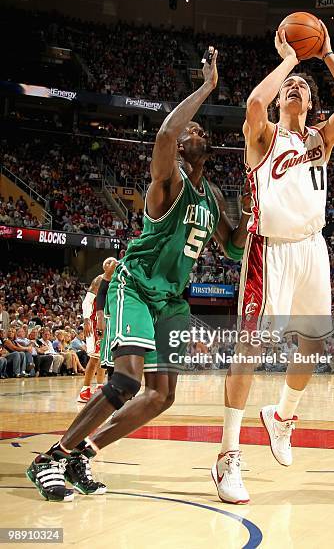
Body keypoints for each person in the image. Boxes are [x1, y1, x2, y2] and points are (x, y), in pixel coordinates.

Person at [27, 46, 251, 502]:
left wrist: (254, 209)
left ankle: (82, 454)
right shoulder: (169, 179)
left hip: (171, 299)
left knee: (162, 396)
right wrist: (207, 87)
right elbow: (166, 133)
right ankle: (50, 457)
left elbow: (231, 246)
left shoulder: (211, 195)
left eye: (199, 128)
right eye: (189, 127)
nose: (193, 129)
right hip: (137, 286)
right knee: (126, 380)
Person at [212, 22, 334, 504]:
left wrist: (327, 55)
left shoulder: (322, 140)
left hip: (312, 247)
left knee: (314, 345)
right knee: (250, 350)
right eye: (289, 89)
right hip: (269, 250)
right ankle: (227, 458)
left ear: (312, 105)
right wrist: (289, 61)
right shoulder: (262, 137)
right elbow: (254, 104)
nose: (295, 88)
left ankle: (281, 416)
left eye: (302, 88)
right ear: (281, 100)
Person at [77, 257, 118, 403]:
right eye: (108, 263)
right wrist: (86, 320)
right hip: (94, 321)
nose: (111, 265)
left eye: (113, 263)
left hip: (107, 322)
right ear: (104, 266)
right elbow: (87, 302)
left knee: (103, 358)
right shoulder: (99, 280)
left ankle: (100, 387)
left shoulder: (116, 281)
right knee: (95, 357)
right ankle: (84, 390)